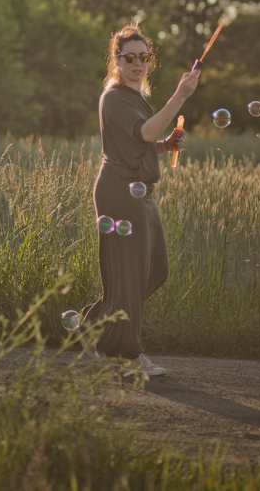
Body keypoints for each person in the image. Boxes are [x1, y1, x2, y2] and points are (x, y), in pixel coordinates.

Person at [78, 24, 200, 376]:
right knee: (130, 276)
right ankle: (128, 355)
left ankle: (93, 325)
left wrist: (165, 146)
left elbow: (142, 141)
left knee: (155, 270)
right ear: (116, 60)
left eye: (143, 57)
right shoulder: (113, 97)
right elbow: (144, 131)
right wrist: (179, 96)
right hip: (120, 190)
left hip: (140, 191)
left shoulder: (136, 97)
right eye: (129, 57)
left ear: (150, 60)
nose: (137, 63)